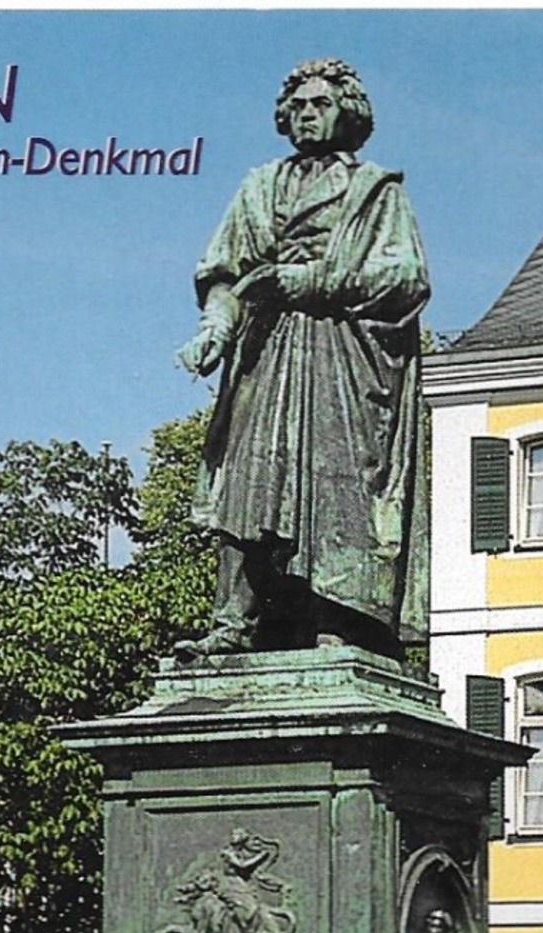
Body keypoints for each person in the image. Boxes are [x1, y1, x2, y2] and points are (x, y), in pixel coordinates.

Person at [174, 58, 430, 661]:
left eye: (321, 103)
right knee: (248, 477)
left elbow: (405, 277)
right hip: (265, 350)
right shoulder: (257, 187)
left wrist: (309, 281)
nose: (307, 114)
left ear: (348, 112)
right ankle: (232, 622)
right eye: (299, 105)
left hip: (342, 355)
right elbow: (224, 271)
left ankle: (339, 617)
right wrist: (215, 325)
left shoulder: (375, 192)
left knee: (338, 483)